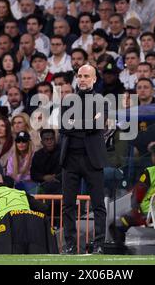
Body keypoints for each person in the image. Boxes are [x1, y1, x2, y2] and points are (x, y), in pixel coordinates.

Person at [59, 64, 108, 254]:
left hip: (92, 159)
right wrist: (85, 122)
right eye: (79, 75)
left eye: (86, 76)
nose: (82, 79)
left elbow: (95, 126)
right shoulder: (68, 101)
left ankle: (99, 245)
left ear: (94, 79)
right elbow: (64, 128)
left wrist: (75, 122)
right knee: (68, 205)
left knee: (98, 205)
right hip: (69, 159)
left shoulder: (101, 101)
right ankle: (70, 245)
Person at [110, 144, 155, 244]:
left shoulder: (150, 172)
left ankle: (124, 253)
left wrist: (135, 211)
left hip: (147, 216)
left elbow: (137, 196)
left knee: (116, 224)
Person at [0, 172, 54, 254]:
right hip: (30, 229)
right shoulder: (20, 193)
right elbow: (44, 208)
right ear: (2, 182)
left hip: (6, 233)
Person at [31, 129, 61, 195]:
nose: (49, 142)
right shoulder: (38, 155)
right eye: (46, 139)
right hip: (43, 187)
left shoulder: (62, 152)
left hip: (60, 186)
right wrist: (44, 177)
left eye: (51, 139)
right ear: (42, 142)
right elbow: (33, 174)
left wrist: (55, 177)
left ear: (55, 140)